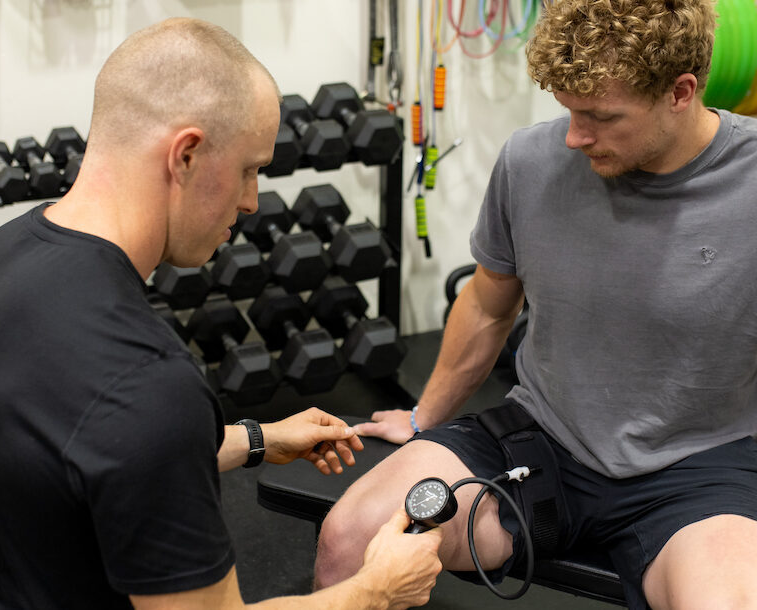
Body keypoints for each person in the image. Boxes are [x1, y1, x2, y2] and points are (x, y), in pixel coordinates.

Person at [0, 18, 443, 610]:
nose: (251, 200)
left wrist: (256, 439)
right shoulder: (148, 384)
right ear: (185, 154)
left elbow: (81, 454)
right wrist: (376, 590)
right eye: (249, 168)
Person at [314, 1, 757, 608]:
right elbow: (489, 307)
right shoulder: (531, 161)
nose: (575, 136)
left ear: (680, 93)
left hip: (696, 467)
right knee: (349, 540)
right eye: (568, 110)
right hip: (543, 438)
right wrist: (423, 417)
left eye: (601, 116)